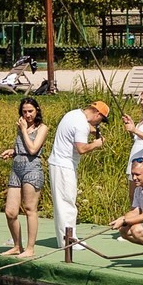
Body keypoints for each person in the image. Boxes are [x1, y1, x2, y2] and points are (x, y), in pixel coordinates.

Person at [48, 98, 108, 249]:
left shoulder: (73, 114)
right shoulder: (81, 124)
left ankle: (65, 239)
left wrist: (91, 130)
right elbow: (81, 148)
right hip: (64, 165)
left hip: (59, 163)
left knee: (63, 203)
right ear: (97, 114)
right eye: (101, 120)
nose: (98, 124)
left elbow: (77, 130)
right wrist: (96, 144)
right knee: (67, 203)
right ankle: (69, 241)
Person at [0, 96, 50, 256]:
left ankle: (30, 248)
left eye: (30, 111)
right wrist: (13, 150)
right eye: (24, 112)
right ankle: (17, 245)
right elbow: (22, 147)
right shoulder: (21, 126)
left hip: (32, 169)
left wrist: (23, 130)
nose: (27, 115)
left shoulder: (42, 128)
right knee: (10, 212)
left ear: (37, 111)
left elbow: (33, 149)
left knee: (30, 209)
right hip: (16, 168)